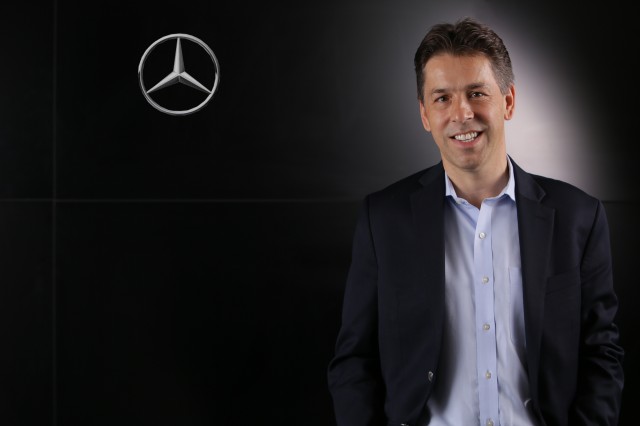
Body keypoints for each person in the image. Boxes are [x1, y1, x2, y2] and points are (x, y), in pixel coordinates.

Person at [327, 17, 624, 426]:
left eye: (477, 93)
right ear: (424, 114)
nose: (462, 113)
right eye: (442, 98)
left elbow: (601, 354)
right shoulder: (383, 220)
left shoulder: (579, 217)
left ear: (508, 101)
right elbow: (354, 361)